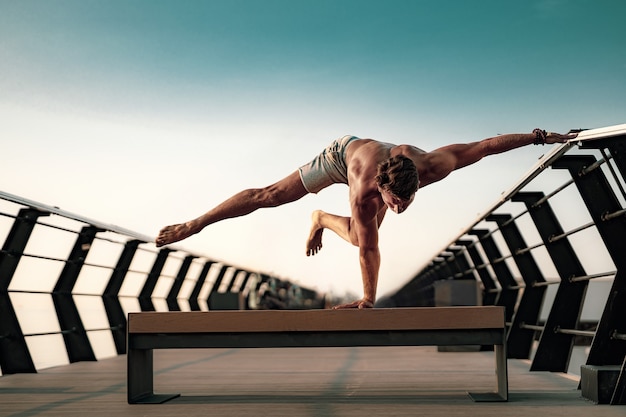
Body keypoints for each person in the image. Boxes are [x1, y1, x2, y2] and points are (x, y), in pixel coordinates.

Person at [156, 128, 578, 309]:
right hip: (344, 155)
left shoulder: (434, 165)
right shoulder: (364, 193)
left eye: (405, 203)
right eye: (393, 203)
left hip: (389, 160)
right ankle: (197, 222)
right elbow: (372, 250)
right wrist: (368, 299)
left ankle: (322, 218)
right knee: (270, 196)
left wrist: (540, 136)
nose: (399, 209)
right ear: (380, 190)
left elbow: (485, 146)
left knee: (360, 238)